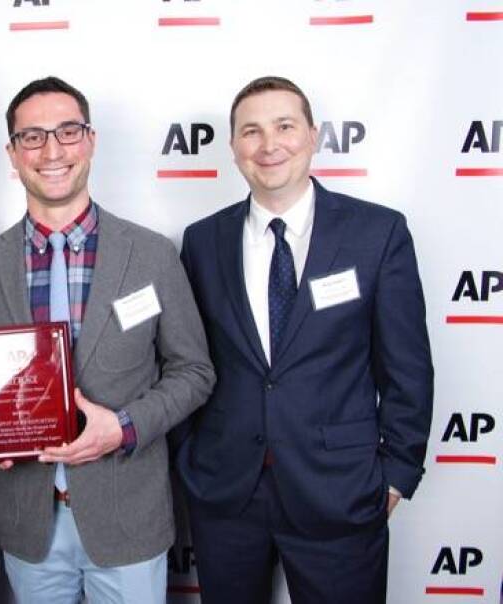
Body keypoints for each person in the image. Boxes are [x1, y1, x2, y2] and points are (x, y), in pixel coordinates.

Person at [177, 76, 434, 603]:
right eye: (251, 131)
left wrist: (394, 475)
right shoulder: (202, 241)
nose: (269, 145)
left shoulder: (377, 233)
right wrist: (190, 463)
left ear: (314, 135)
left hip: (341, 491)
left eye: (284, 126)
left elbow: (407, 368)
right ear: (233, 148)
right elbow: (187, 362)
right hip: (227, 495)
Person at [0, 76, 215, 603]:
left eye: (68, 131)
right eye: (32, 137)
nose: (52, 150)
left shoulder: (150, 255)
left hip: (127, 519)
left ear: (91, 141)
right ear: (12, 153)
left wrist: (121, 428)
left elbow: (194, 372)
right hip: (28, 524)